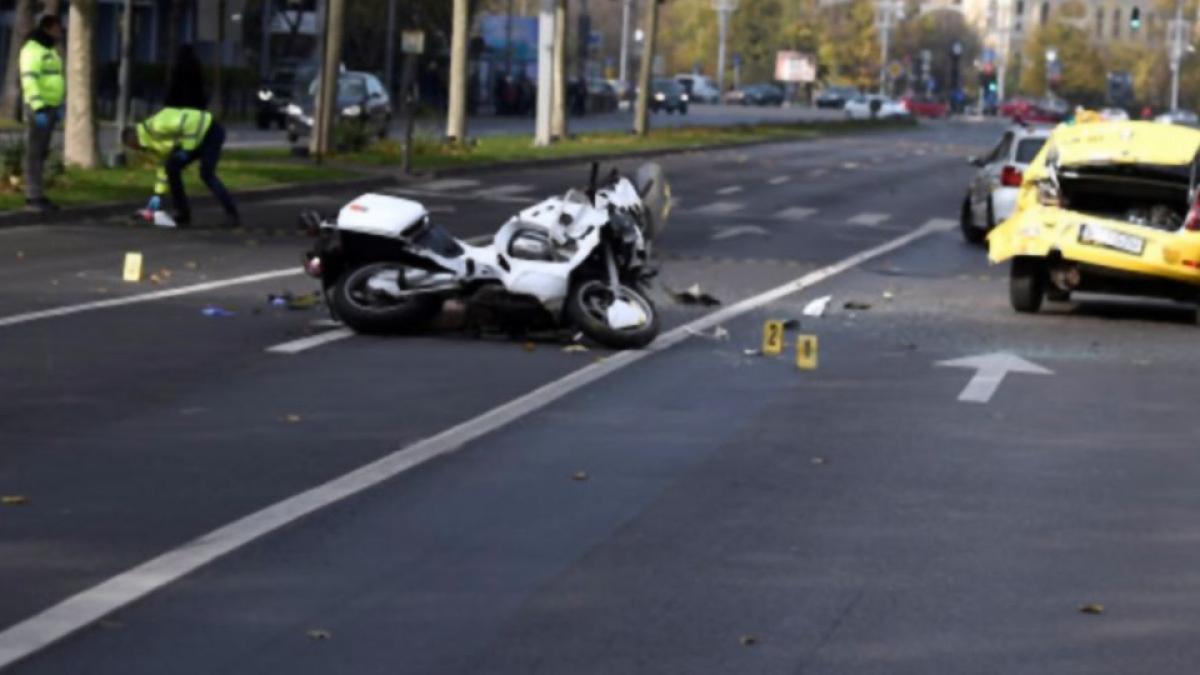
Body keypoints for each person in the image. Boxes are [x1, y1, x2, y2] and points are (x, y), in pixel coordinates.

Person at [121, 107, 240, 228]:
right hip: (193, 142)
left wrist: (187, 150)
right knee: (172, 168)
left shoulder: (156, 125)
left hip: (209, 131)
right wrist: (158, 194)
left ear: (134, 140)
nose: (136, 151)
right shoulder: (149, 146)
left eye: (133, 147)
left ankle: (232, 215)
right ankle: (183, 214)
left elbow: (190, 121)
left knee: (206, 174)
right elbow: (163, 168)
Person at [20, 12, 64, 212]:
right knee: (34, 153)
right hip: (40, 108)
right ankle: (32, 197)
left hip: (51, 107)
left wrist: (59, 105)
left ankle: (37, 194)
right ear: (47, 28)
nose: (60, 31)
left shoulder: (49, 50)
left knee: (41, 153)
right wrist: (38, 108)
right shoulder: (32, 50)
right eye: (57, 28)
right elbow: (29, 79)